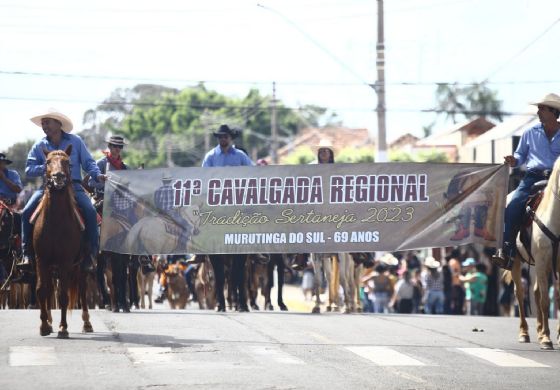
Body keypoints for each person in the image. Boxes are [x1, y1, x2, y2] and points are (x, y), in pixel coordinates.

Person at [18, 110, 105, 273]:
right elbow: (29, 169)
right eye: (43, 123)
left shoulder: (76, 141)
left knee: (90, 211)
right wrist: (47, 166)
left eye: (47, 122)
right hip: (47, 187)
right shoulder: (39, 145)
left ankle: (92, 255)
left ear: (58, 123)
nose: (44, 126)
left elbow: (88, 162)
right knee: (26, 212)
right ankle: (27, 255)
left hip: (74, 187)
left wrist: (97, 174)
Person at [492, 93, 560, 270]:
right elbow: (520, 154)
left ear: (553, 112)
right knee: (513, 204)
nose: (538, 112)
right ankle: (506, 250)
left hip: (558, 178)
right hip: (533, 176)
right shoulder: (530, 132)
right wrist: (514, 160)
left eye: (542, 108)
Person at [202, 124, 254, 312]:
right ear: (218, 138)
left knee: (240, 265)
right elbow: (202, 179)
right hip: (216, 210)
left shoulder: (240, 156)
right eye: (220, 137)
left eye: (226, 136)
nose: (223, 139)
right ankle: (220, 302)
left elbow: (255, 173)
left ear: (231, 138)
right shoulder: (210, 157)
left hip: (238, 210)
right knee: (215, 263)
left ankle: (242, 301)